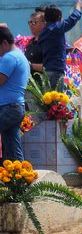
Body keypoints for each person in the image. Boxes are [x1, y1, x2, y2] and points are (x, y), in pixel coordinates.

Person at [0, 26, 30, 163]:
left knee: (12, 144)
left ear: (4, 43)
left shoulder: (10, 58)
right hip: (15, 106)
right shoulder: (19, 55)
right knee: (12, 146)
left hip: (8, 107)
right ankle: (19, 178)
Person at [38, 0, 82, 89]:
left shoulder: (44, 31)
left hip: (47, 69)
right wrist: (78, 7)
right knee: (57, 100)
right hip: (56, 71)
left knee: (49, 99)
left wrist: (65, 50)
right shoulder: (56, 28)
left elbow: (51, 49)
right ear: (58, 18)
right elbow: (72, 20)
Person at [25, 9, 45, 76]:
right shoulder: (31, 42)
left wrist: (30, 66)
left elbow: (51, 67)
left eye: (34, 22)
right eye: (30, 22)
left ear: (44, 23)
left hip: (43, 84)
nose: (31, 25)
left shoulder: (48, 43)